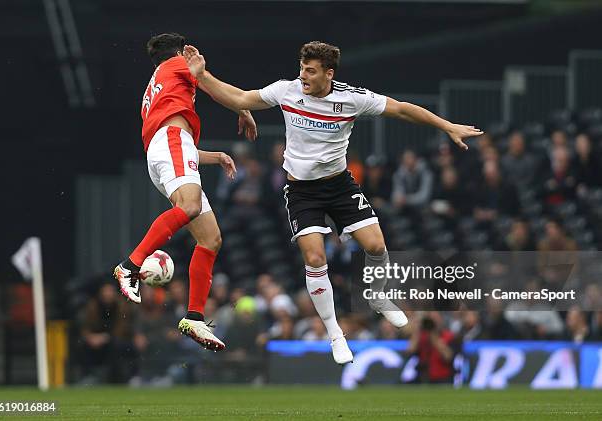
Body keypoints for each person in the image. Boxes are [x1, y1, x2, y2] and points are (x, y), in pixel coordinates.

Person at [184, 41, 482, 364]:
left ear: (329, 73)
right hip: (302, 192)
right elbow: (240, 97)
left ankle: (378, 296)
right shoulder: (287, 91)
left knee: (377, 247)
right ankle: (335, 333)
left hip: (339, 186)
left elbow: (401, 109)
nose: (303, 76)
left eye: (310, 71)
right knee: (314, 258)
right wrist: (201, 75)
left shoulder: (351, 98)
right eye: (302, 68)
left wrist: (447, 126)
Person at [113, 33, 258, 351]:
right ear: (179, 53)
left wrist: (214, 156)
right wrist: (243, 108)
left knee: (210, 239)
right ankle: (130, 265)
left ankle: (193, 316)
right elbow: (208, 83)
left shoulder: (156, 85)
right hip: (172, 143)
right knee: (190, 206)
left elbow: (171, 135)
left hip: (167, 149)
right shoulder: (177, 64)